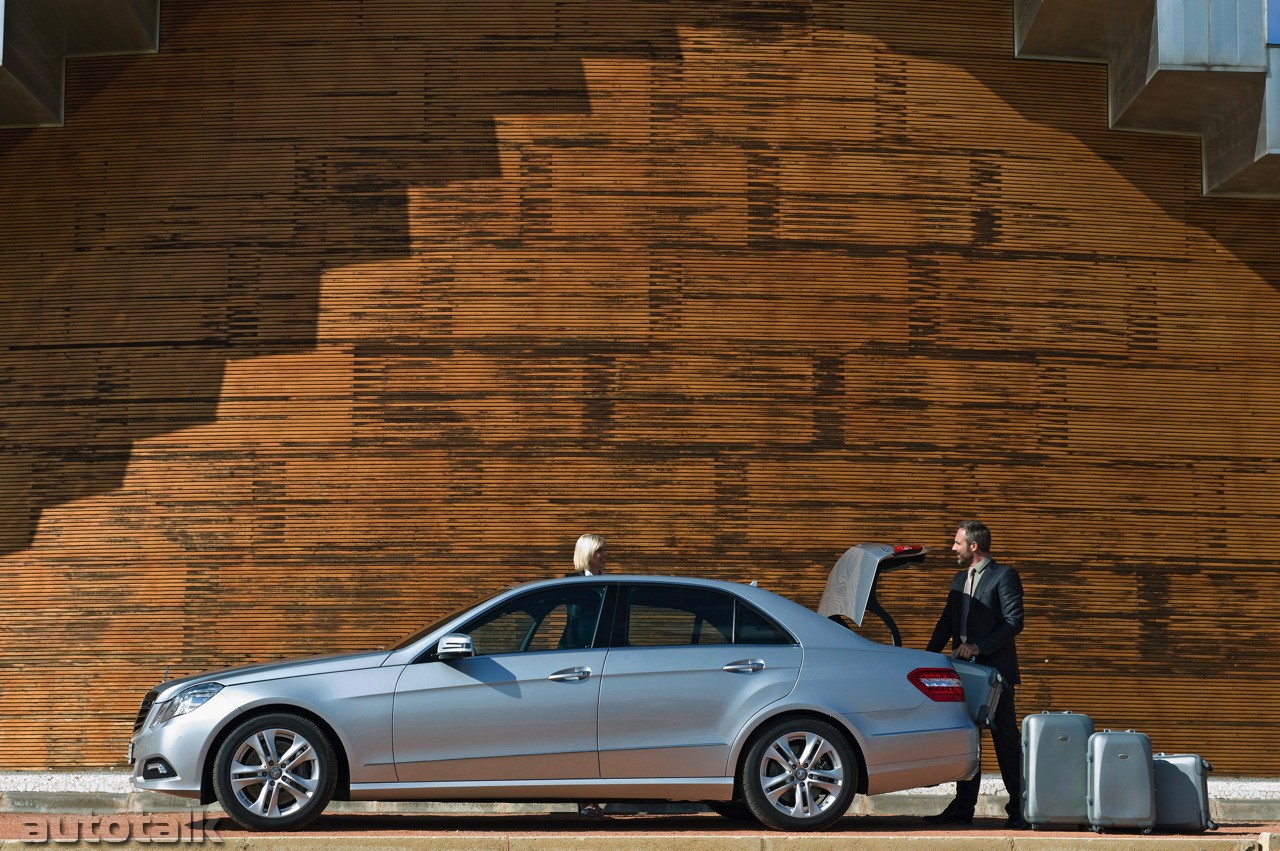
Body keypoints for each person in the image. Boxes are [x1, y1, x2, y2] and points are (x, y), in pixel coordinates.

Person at [924, 520, 1027, 829]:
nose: (952, 548)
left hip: (996, 674)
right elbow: (946, 621)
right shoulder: (958, 579)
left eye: (957, 543)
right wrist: (926, 657)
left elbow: (1013, 621)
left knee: (1005, 739)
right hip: (963, 673)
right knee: (968, 737)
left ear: (973, 546)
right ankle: (962, 807)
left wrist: (978, 647)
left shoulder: (1003, 575)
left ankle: (1020, 809)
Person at [570, 533, 607, 818]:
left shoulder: (610, 586)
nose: (604, 556)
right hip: (578, 663)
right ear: (587, 554)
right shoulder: (571, 585)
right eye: (599, 552)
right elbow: (574, 627)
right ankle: (586, 799)